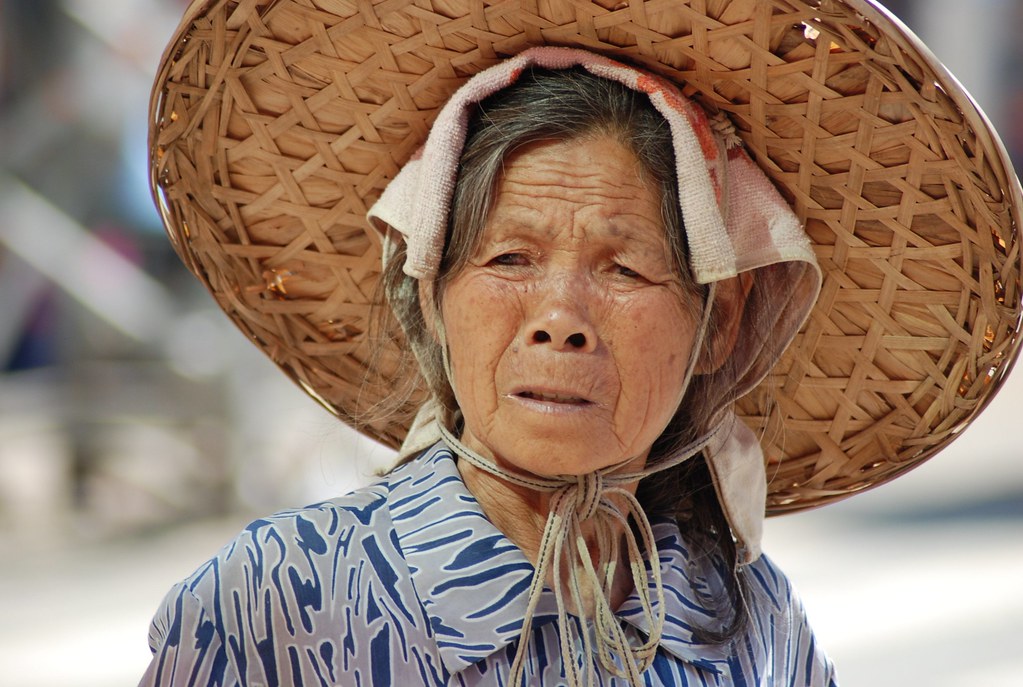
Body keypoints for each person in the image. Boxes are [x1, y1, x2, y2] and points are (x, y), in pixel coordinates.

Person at [141, 1, 1022, 685]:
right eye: (510, 256)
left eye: (623, 269)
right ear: (435, 294)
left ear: (716, 323)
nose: (558, 314)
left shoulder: (750, 627)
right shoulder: (282, 600)